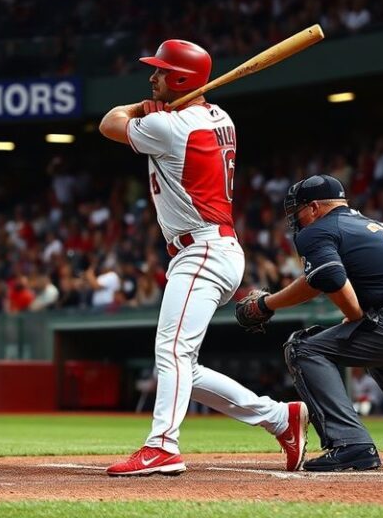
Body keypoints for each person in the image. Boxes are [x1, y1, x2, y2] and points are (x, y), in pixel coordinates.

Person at [99, 38, 307, 476]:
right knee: (181, 363)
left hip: (203, 250)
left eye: (160, 71)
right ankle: (278, 418)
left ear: (180, 80)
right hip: (215, 249)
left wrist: (142, 108)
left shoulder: (170, 127)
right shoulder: (219, 116)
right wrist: (160, 107)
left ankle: (162, 446)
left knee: (171, 351)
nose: (152, 77)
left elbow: (108, 123)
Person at [235, 175, 383, 471]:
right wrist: (268, 304)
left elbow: (329, 278)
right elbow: (319, 279)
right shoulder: (370, 226)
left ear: (314, 207)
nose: (296, 219)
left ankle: (350, 444)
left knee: (303, 347)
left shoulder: (317, 229)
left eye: (297, 211)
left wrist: (266, 305)